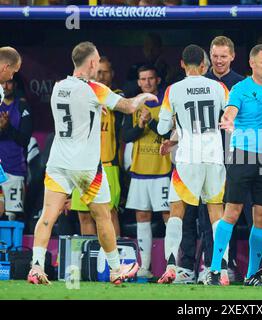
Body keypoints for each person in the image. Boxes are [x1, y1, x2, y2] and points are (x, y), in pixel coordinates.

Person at [28, 41, 157, 285]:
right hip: (86, 167)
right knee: (103, 217)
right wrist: (144, 96)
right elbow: (128, 107)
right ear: (91, 63)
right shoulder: (94, 89)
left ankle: (36, 266)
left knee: (47, 215)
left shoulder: (58, 87)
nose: (97, 64)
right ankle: (117, 269)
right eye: (96, 61)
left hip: (58, 162)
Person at [207, 44, 262, 286]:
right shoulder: (240, 89)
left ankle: (253, 274)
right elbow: (230, 112)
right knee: (232, 212)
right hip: (243, 156)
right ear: (252, 64)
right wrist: (228, 119)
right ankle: (215, 269)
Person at [156, 44, 229, 285]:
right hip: (213, 156)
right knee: (216, 213)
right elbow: (229, 119)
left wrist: (176, 126)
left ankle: (170, 266)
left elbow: (161, 127)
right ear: (204, 64)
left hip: (187, 158)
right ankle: (221, 270)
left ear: (182, 64)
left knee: (177, 211)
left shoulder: (173, 90)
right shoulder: (218, 87)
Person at [123, 64, 172, 280]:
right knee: (142, 216)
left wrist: (150, 121)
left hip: (162, 169)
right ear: (138, 82)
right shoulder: (132, 105)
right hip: (140, 171)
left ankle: (173, 265)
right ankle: (145, 266)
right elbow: (126, 136)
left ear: (158, 80)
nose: (147, 83)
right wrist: (140, 125)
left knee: (169, 217)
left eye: (151, 78)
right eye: (143, 79)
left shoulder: (166, 104)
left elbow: (167, 133)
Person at [70, 56, 123, 237]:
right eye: (98, 71)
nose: (100, 76)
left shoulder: (118, 96)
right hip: (82, 166)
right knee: (84, 214)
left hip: (107, 165)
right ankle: (90, 261)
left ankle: (116, 261)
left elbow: (121, 104)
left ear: (112, 74)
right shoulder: (81, 96)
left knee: (108, 214)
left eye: (105, 72)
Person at [0, 72, 32, 222]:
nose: (5, 86)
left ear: (15, 85)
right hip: (0, 169)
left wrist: (8, 128)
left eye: (9, 82)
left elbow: (24, 139)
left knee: (11, 217)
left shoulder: (22, 106)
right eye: (2, 83)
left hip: (15, 171)